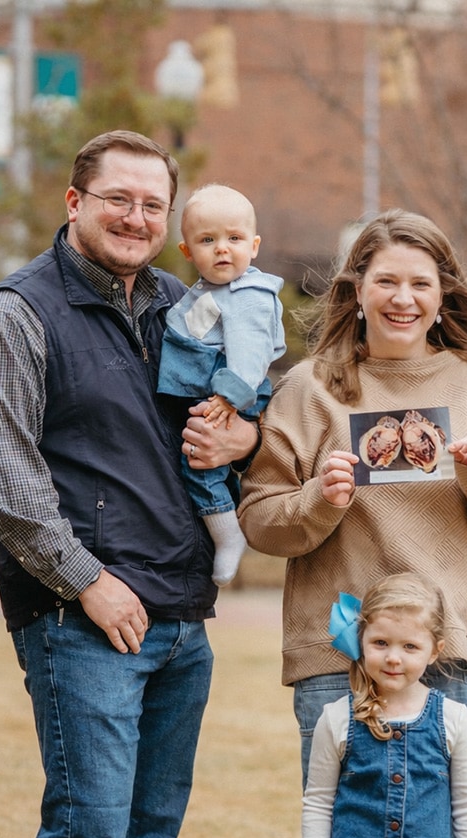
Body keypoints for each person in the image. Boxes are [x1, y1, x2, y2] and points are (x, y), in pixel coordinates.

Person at [0, 131, 261, 838]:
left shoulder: (184, 307)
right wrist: (87, 581)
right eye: (117, 199)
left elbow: (236, 415)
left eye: (152, 204)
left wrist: (246, 435)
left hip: (181, 617)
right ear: (74, 202)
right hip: (81, 618)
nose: (135, 217)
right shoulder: (15, 314)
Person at [238, 208, 467, 785]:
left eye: (420, 284)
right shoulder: (308, 389)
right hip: (342, 648)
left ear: (442, 296)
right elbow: (259, 519)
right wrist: (319, 501)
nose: (402, 299)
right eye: (386, 281)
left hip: (455, 647)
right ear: (357, 291)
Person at [302, 572, 467, 838]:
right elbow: (318, 801)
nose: (393, 657)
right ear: (362, 639)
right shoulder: (337, 718)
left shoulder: (453, 719)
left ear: (434, 651)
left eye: (410, 646)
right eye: (380, 643)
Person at [157, 183, 286, 586]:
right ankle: (225, 520)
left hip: (229, 394)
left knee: (200, 460)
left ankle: (228, 535)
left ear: (255, 245)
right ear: (187, 251)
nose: (223, 249)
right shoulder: (211, 290)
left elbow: (250, 356)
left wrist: (229, 400)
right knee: (202, 457)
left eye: (235, 238)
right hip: (213, 391)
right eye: (208, 240)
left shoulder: (248, 295)